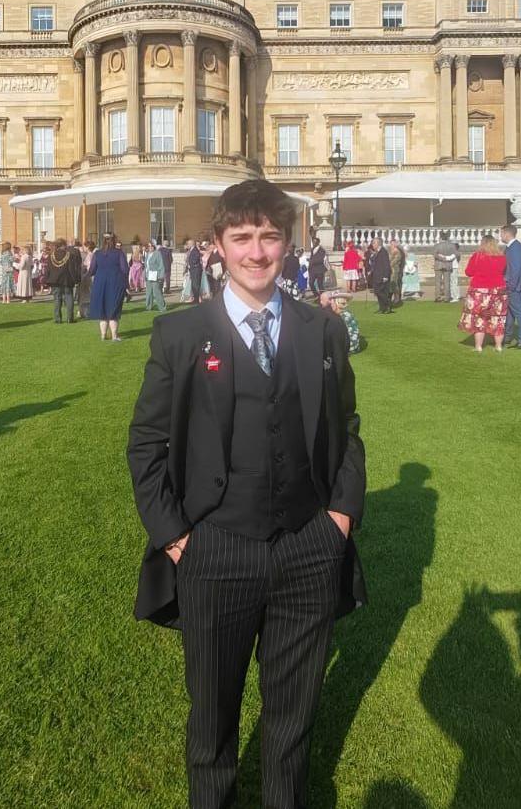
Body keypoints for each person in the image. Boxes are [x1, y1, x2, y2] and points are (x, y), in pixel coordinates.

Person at [126, 179, 365, 809]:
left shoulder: (321, 330)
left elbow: (348, 430)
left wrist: (339, 517)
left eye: (269, 237)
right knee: (213, 722)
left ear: (287, 243)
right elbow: (146, 444)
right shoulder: (180, 335)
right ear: (218, 247)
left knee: (293, 720)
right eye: (242, 238)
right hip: (214, 549)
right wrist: (175, 537)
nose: (256, 253)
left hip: (308, 547)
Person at [459, 234, 509, 353]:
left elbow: (468, 272)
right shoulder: (502, 257)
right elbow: (503, 271)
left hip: (479, 290)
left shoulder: (477, 256)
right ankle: (498, 346)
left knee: (479, 318)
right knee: (498, 318)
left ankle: (478, 346)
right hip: (499, 290)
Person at [89, 233, 126, 341]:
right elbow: (125, 269)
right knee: (113, 309)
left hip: (100, 283)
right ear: (114, 241)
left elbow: (92, 270)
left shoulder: (97, 254)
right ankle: (114, 336)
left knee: (102, 309)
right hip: (115, 283)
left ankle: (103, 335)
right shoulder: (119, 253)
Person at [499, 225, 521, 349]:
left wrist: (511, 285)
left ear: (507, 234)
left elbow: (515, 269)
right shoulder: (511, 247)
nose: (500, 236)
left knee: (519, 312)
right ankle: (507, 337)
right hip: (510, 284)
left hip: (513, 286)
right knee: (509, 313)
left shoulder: (515, 248)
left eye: (501, 234)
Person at [46, 239, 80, 322]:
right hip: (66, 280)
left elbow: (48, 269)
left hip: (54, 280)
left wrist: (48, 279)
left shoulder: (51, 255)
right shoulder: (69, 255)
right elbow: (72, 269)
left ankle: (57, 318)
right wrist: (76, 280)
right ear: (63, 245)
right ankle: (70, 318)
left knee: (57, 298)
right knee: (69, 298)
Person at [366, 236, 393, 313]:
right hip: (376, 275)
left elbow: (386, 265)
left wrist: (385, 276)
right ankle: (382, 308)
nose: (372, 245)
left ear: (378, 244)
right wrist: (371, 271)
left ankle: (387, 306)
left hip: (382, 276)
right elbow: (375, 264)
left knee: (380, 292)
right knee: (377, 293)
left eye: (374, 243)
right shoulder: (377, 252)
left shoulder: (383, 252)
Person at [144, 241, 166, 311]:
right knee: (148, 292)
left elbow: (161, 265)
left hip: (155, 275)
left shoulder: (157, 253)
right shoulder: (147, 254)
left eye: (151, 246)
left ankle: (162, 307)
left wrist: (161, 276)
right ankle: (148, 307)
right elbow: (146, 266)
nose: (150, 248)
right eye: (149, 246)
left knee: (157, 292)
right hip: (148, 275)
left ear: (154, 247)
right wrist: (144, 274)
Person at [182, 239, 204, 304]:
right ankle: (195, 299)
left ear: (192, 244)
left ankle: (196, 300)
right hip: (193, 270)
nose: (187, 245)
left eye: (188, 244)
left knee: (196, 285)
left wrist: (191, 264)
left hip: (196, 270)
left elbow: (196, 259)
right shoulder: (191, 250)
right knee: (193, 285)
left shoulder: (195, 250)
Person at [387, 239, 407, 307]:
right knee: (391, 284)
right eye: (391, 244)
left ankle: (397, 299)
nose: (392, 245)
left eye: (393, 244)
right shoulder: (389, 251)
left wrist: (388, 265)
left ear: (395, 244)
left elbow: (395, 261)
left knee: (395, 284)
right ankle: (390, 298)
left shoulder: (398, 252)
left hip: (395, 270)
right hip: (390, 270)